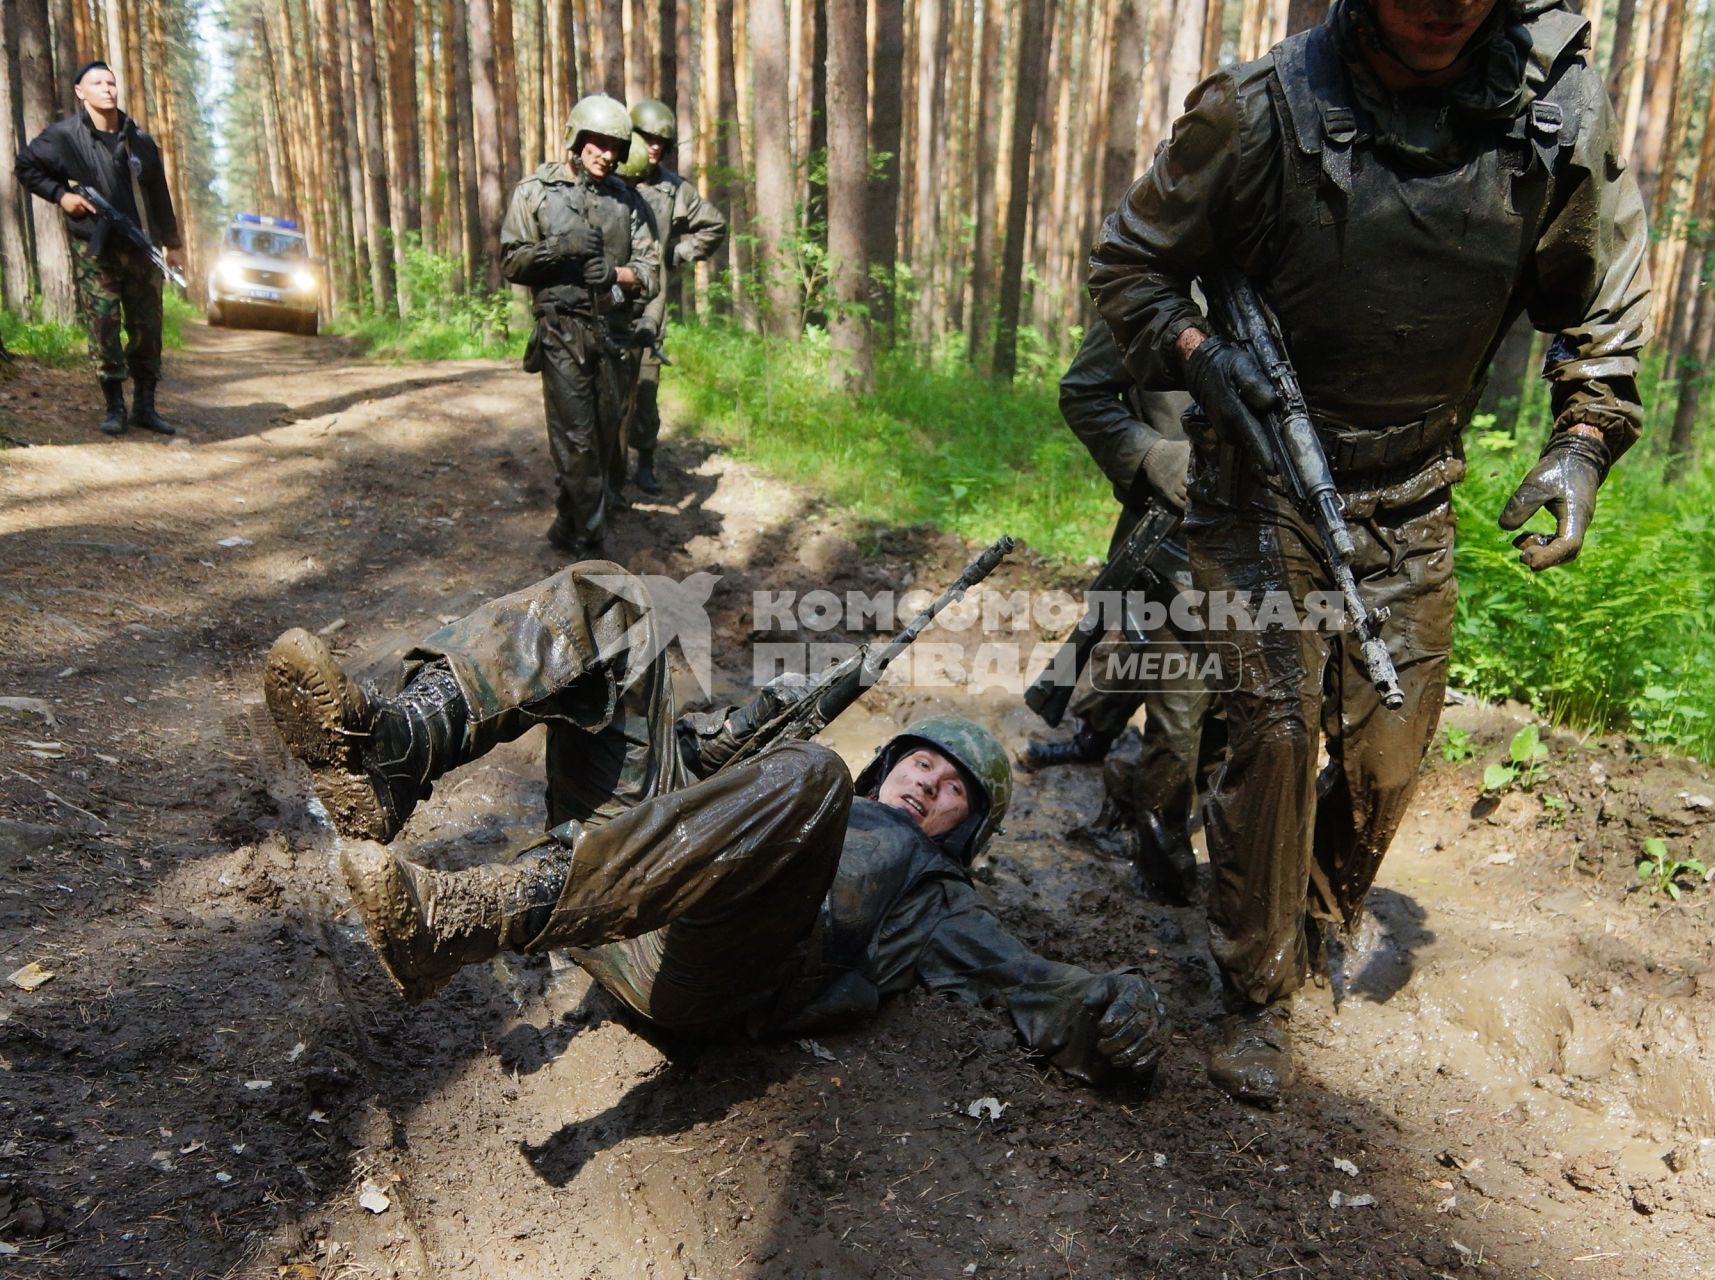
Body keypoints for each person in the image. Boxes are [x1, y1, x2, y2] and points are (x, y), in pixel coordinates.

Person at [1087, 0, 1651, 1104]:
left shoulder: (1553, 115)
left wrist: (1585, 441)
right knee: (1274, 731)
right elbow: (1130, 268)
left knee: (1390, 754)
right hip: (1255, 486)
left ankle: (1312, 922)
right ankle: (1256, 990)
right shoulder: (1254, 113)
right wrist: (1199, 355)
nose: (1442, 9)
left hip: (1415, 488)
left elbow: (1602, 303)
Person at [262, 564, 1167, 1084]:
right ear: (890, 765)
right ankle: (391, 752)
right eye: (920, 762)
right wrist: (724, 741)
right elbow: (685, 785)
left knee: (804, 775)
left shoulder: (938, 900)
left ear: (966, 833)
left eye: (953, 790)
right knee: (620, 602)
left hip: (693, 966)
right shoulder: (819, 789)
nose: (929, 785)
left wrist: (1122, 1009)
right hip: (618, 881)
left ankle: (468, 921)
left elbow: (1043, 987)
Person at [1026, 315, 1218, 904]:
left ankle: (1099, 735)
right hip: (1167, 527)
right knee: (1172, 698)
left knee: (1200, 695)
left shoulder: (1303, 272)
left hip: (1271, 537)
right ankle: (1161, 875)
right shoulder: (1157, 285)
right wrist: (1152, 457)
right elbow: (1083, 390)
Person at [501, 94, 661, 556]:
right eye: (598, 143)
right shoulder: (535, 191)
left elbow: (649, 271)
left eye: (615, 145)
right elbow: (511, 261)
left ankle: (569, 527)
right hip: (560, 332)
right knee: (578, 442)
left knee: (607, 437)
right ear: (577, 139)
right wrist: (560, 248)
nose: (606, 154)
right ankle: (590, 547)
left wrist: (617, 275)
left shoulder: (627, 200)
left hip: (612, 335)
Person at [14, 61, 184, 437]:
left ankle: (145, 406)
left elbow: (159, 194)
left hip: (143, 249)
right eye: (97, 83)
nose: (107, 88)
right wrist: (62, 196)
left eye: (111, 82)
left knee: (147, 327)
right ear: (80, 92)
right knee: (104, 326)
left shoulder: (138, 139)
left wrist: (172, 244)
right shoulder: (63, 137)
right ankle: (114, 407)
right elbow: (26, 166)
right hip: (97, 248)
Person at [613, 99, 726, 496]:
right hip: (605, 299)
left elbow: (713, 225)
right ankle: (608, 471)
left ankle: (644, 461)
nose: (654, 146)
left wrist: (677, 254)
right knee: (606, 391)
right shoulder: (609, 179)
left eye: (662, 140)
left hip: (649, 301)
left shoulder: (673, 190)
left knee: (645, 387)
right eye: (647, 138)